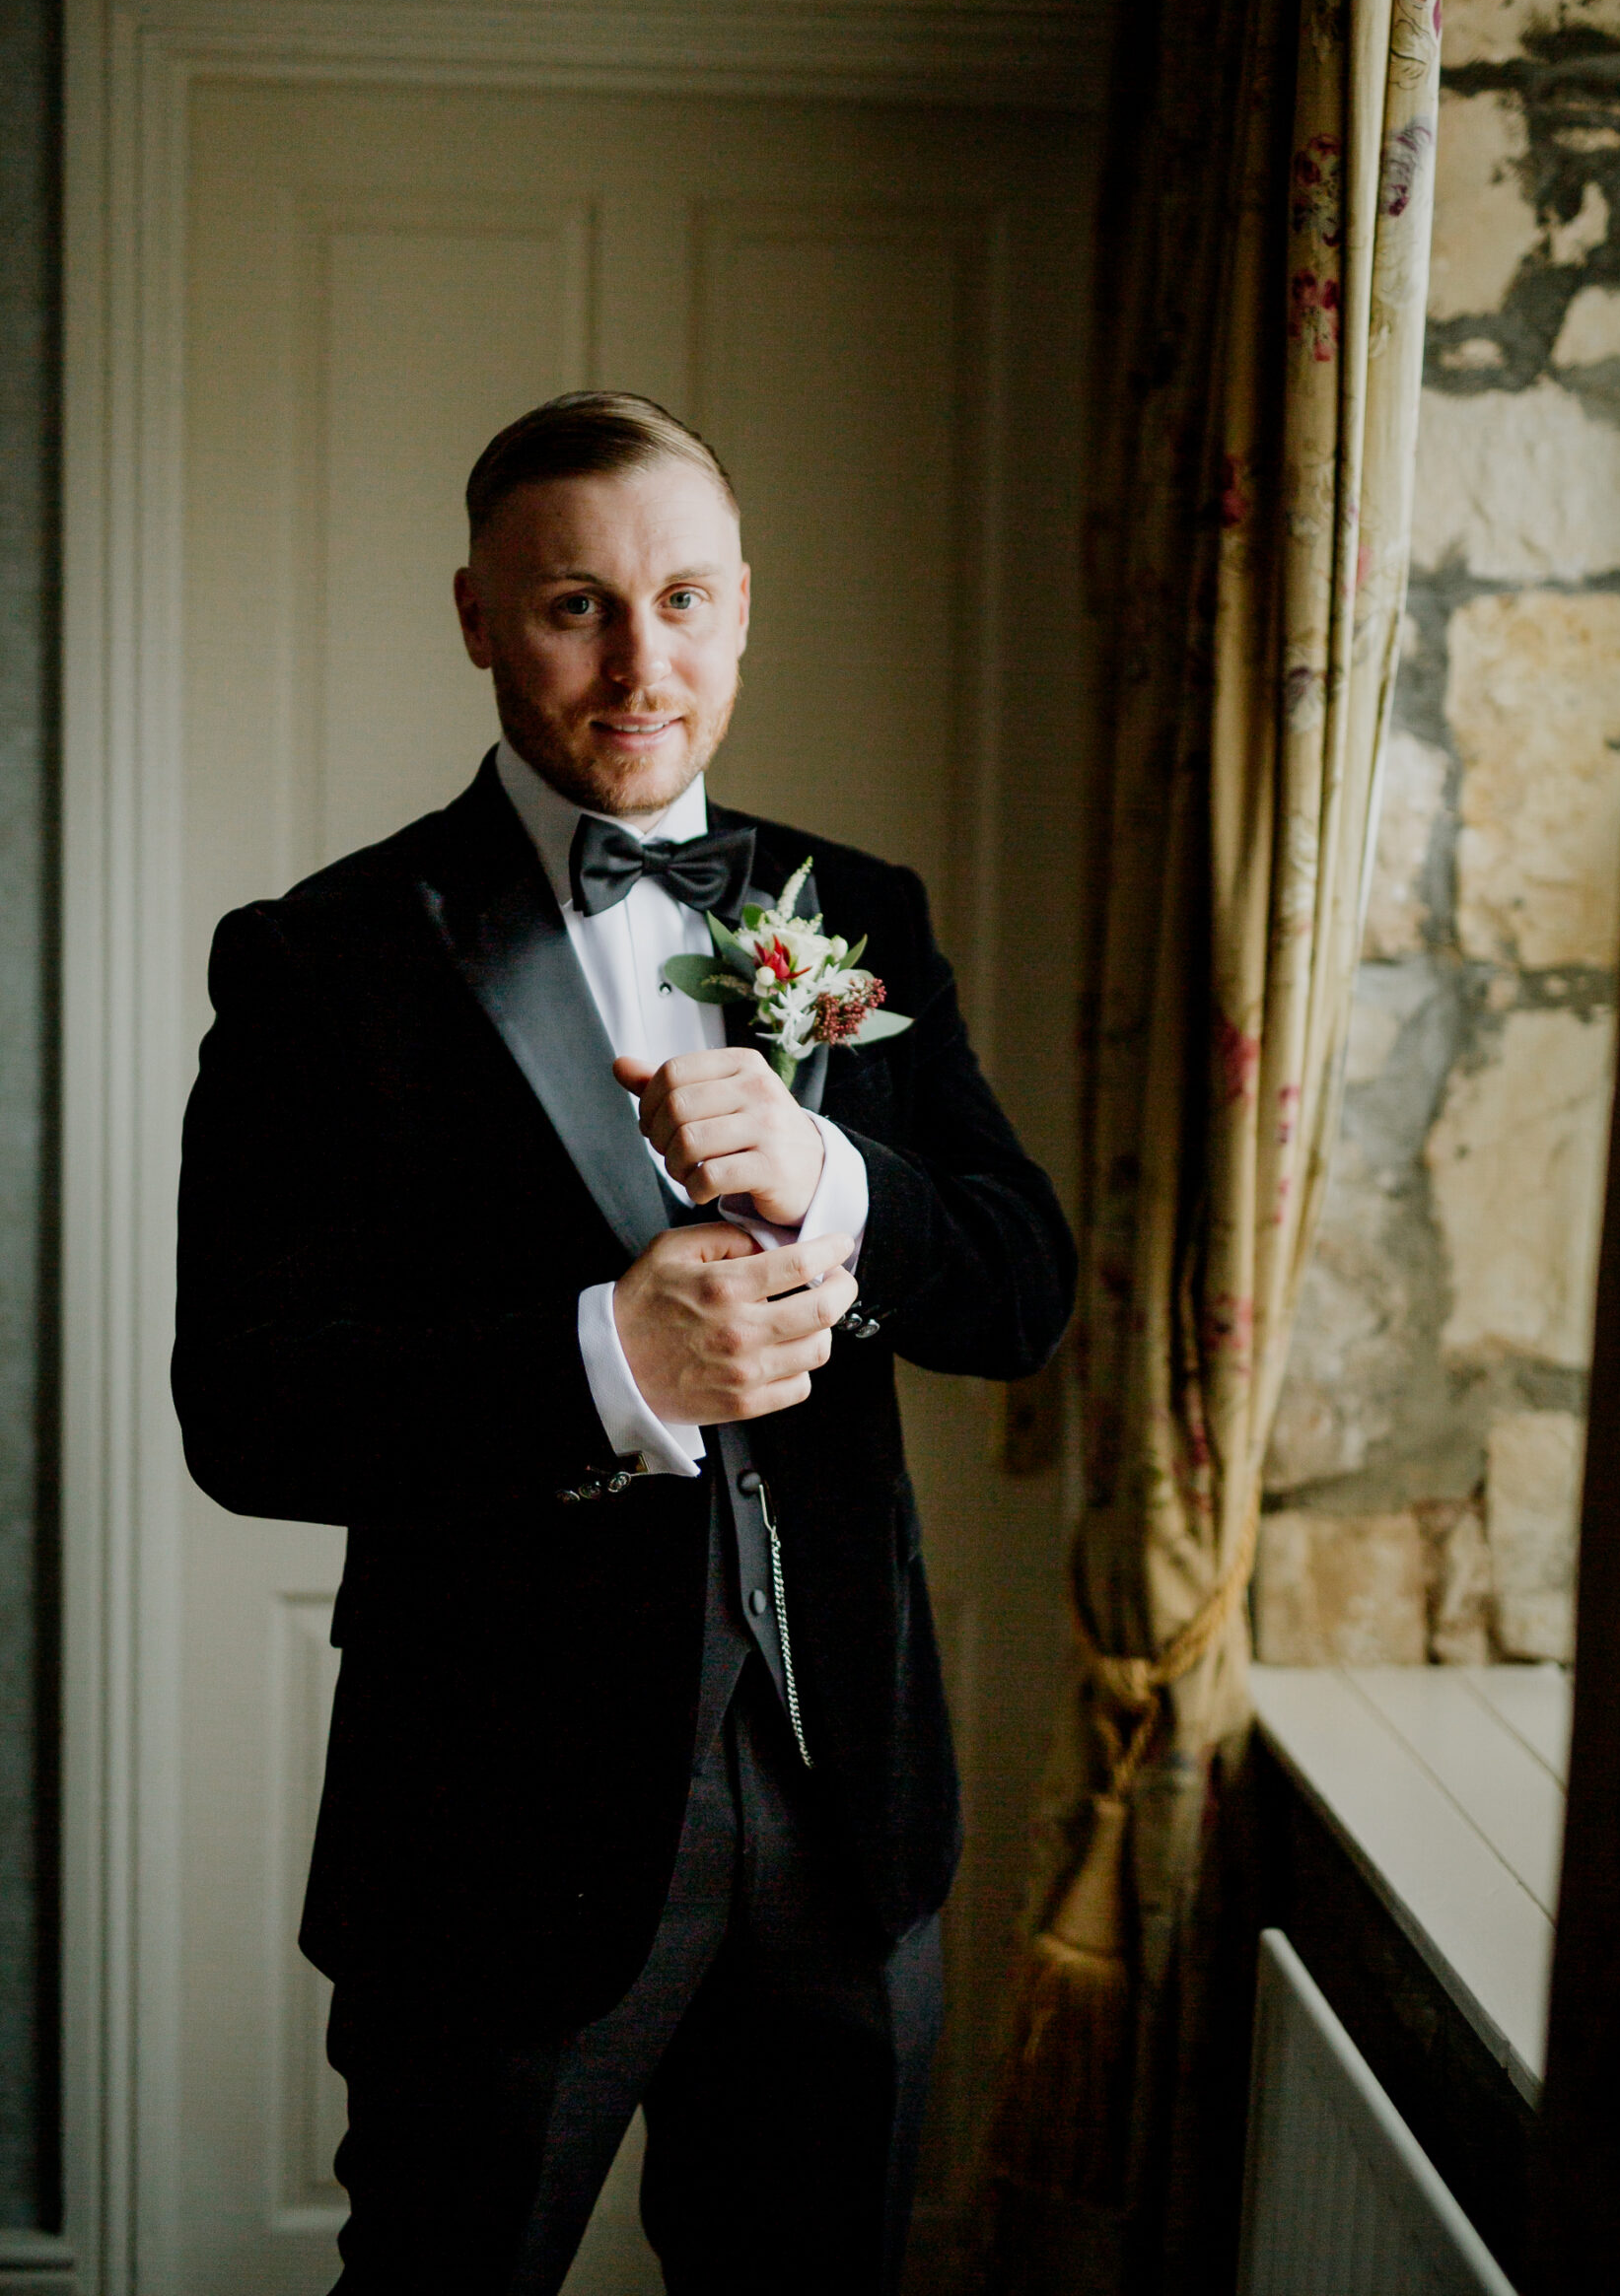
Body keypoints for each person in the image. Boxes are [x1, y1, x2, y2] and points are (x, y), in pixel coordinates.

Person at [173, 391, 1076, 2295]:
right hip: (494, 1834)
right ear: (479, 616)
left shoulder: (866, 920)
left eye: (683, 599)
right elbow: (244, 1411)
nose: (642, 663)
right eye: (578, 606)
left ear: (744, 611)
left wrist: (837, 1170)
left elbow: (1020, 1289)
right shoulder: (320, 958)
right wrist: (608, 1362)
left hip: (852, 1826)